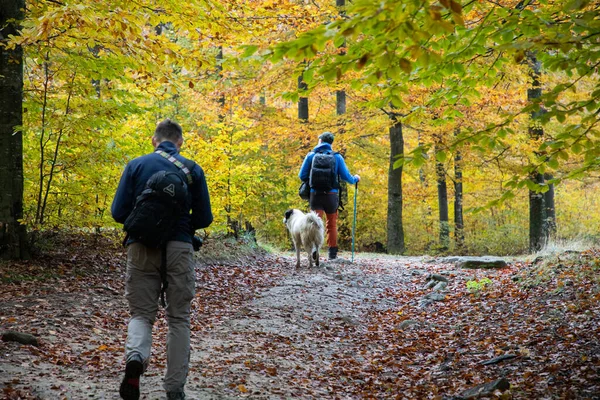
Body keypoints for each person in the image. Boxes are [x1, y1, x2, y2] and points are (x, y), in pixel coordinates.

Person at [111, 119, 213, 400]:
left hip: (141, 246)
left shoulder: (136, 165)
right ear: (180, 142)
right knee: (179, 318)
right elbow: (205, 218)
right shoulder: (193, 169)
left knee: (141, 314)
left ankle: (136, 358)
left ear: (153, 140)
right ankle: (174, 388)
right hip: (180, 247)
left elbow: (118, 212)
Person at [298, 131, 360, 260]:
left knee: (314, 223)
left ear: (320, 141)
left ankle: (315, 249)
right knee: (331, 224)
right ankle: (332, 254)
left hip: (315, 195)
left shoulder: (311, 156)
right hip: (331, 196)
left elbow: (302, 176)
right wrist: (355, 179)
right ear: (331, 143)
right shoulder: (337, 157)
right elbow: (346, 177)